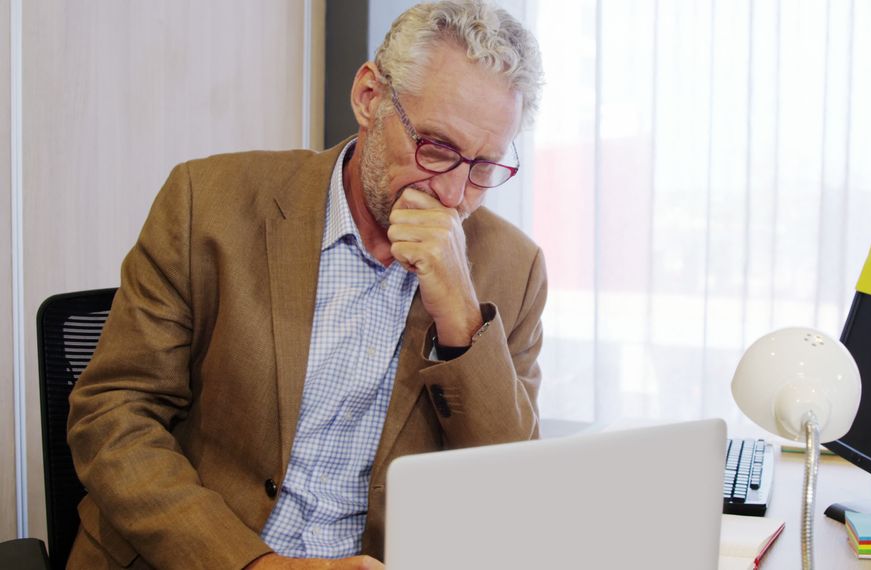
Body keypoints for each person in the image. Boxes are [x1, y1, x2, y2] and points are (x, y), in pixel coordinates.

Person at [65, 1, 546, 568]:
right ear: (370, 97)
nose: (453, 193)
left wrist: (462, 319)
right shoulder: (208, 201)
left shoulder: (514, 270)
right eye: (436, 148)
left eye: (484, 167)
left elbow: (508, 497)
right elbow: (113, 414)